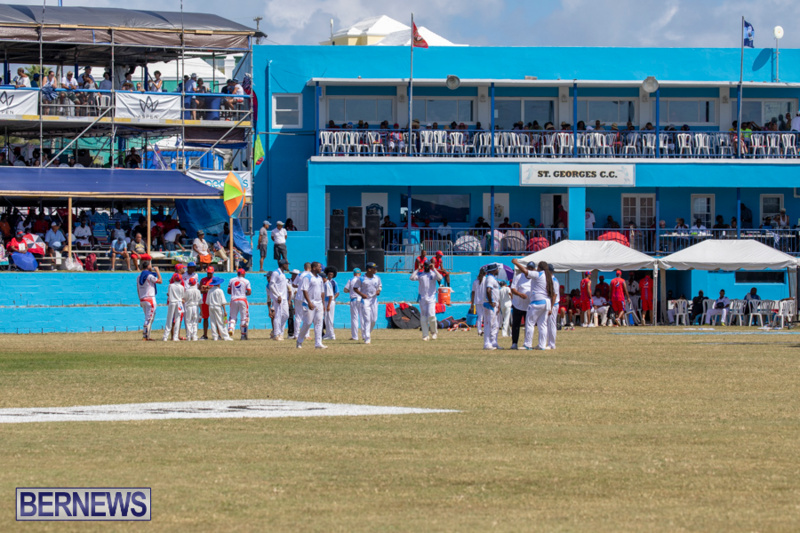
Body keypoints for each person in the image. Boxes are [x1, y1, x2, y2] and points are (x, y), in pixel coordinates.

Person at [511, 259, 555, 351]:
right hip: (546, 302)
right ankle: (542, 345)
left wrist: (516, 263)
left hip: (537, 302)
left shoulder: (538, 274)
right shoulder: (548, 277)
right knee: (542, 325)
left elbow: (525, 271)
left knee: (530, 323)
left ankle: (527, 344)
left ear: (539, 268)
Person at [297, 261, 326, 349]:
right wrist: (309, 302)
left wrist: (323, 303)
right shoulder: (307, 277)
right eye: (319, 267)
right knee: (308, 323)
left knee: (319, 322)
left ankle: (318, 343)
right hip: (309, 303)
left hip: (319, 303)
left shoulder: (320, 278)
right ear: (314, 268)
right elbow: (304, 290)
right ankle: (299, 340)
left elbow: (322, 292)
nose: (321, 268)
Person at [411, 260, 443, 341]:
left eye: (428, 266)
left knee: (431, 315)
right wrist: (418, 269)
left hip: (431, 298)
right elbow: (411, 278)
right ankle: (425, 335)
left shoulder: (433, 274)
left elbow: (440, 277)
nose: (426, 267)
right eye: (425, 265)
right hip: (422, 298)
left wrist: (434, 269)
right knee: (423, 317)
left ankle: (434, 332)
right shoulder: (420, 274)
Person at [354, 262, 382, 345]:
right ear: (369, 269)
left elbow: (380, 286)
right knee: (367, 319)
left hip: (374, 300)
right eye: (374, 268)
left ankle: (366, 333)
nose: (375, 270)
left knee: (374, 320)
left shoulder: (377, 278)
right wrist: (362, 294)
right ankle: (367, 338)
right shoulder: (361, 278)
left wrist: (378, 291)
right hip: (365, 301)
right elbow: (355, 288)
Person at [136, 262, 162, 341]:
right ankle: (145, 336)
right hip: (150, 298)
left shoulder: (139, 277)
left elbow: (138, 289)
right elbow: (160, 281)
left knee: (149, 317)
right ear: (148, 266)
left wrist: (140, 299)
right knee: (148, 318)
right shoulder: (150, 276)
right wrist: (157, 271)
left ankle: (147, 335)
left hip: (143, 298)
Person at [225, 268, 252, 340]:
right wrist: (243, 293)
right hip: (243, 300)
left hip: (233, 300)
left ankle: (231, 328)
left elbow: (228, 291)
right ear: (243, 274)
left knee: (232, 317)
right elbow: (249, 292)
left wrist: (235, 292)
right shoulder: (246, 281)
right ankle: (243, 335)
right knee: (244, 318)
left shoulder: (231, 280)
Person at [481, 263, 502, 350]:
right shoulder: (489, 278)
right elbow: (488, 290)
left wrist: (498, 304)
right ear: (493, 270)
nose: (498, 270)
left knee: (495, 324)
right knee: (489, 324)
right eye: (497, 269)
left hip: (494, 304)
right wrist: (490, 301)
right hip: (490, 305)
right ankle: (487, 343)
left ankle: (494, 342)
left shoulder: (493, 278)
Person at [509, 266, 530, 350]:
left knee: (528, 325)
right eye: (529, 268)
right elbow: (513, 289)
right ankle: (514, 343)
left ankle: (527, 343)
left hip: (529, 306)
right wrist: (520, 294)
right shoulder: (518, 277)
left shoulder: (534, 277)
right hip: (518, 305)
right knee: (516, 325)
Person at [269, 260, 290, 341]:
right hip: (278, 298)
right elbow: (271, 285)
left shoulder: (283, 273)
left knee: (286, 315)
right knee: (278, 315)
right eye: (286, 264)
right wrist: (278, 295)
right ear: (283, 264)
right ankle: (276, 334)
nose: (287, 266)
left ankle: (279, 332)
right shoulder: (276, 273)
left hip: (284, 298)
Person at [290, 262, 312, 340]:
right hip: (307, 297)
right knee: (307, 316)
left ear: (304, 267)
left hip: (298, 297)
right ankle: (306, 334)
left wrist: (299, 287)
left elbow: (293, 284)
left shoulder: (299, 275)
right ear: (310, 268)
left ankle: (296, 334)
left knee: (298, 317)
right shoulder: (311, 275)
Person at [206, 276, 232, 340]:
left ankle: (214, 336)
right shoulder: (220, 291)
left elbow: (207, 301)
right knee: (221, 322)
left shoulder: (210, 291)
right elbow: (223, 302)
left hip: (211, 306)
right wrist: (224, 310)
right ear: (218, 284)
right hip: (217, 307)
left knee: (212, 321)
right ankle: (225, 336)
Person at [162, 274, 185, 342]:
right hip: (179, 302)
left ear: (174, 279)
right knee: (177, 319)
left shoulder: (170, 285)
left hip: (172, 302)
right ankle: (175, 336)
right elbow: (182, 296)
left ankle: (165, 336)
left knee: (169, 319)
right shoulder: (182, 287)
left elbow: (169, 293)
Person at [343, 268, 362, 341]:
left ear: (354, 273)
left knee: (354, 318)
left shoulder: (351, 280)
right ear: (360, 273)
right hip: (361, 299)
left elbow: (345, 290)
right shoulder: (362, 279)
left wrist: (350, 291)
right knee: (363, 318)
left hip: (354, 299)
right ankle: (364, 335)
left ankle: (355, 336)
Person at [323, 267, 339, 341]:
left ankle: (332, 335)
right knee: (326, 318)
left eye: (331, 274)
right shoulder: (324, 281)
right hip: (325, 301)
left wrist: (333, 298)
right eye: (329, 274)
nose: (330, 276)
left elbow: (337, 292)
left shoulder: (334, 282)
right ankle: (327, 333)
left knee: (330, 318)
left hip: (330, 301)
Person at [199, 266, 215, 340]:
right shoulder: (203, 280)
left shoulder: (215, 280)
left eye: (210, 273)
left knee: (215, 318)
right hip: (205, 301)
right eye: (208, 273)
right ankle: (205, 335)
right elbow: (200, 290)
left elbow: (216, 288)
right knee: (205, 318)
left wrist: (207, 287)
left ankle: (218, 335)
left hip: (213, 301)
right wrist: (206, 289)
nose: (209, 274)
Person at [547, 265, 560, 349]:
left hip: (553, 304)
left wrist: (551, 308)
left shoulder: (554, 281)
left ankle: (552, 344)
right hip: (551, 304)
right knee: (548, 324)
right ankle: (548, 342)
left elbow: (554, 295)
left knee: (552, 324)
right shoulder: (550, 280)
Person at [471, 268, 486, 336]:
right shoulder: (486, 280)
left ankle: (479, 330)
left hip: (477, 301)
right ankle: (485, 330)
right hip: (484, 301)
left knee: (479, 317)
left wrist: (472, 303)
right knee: (486, 316)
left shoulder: (475, 281)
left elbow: (473, 293)